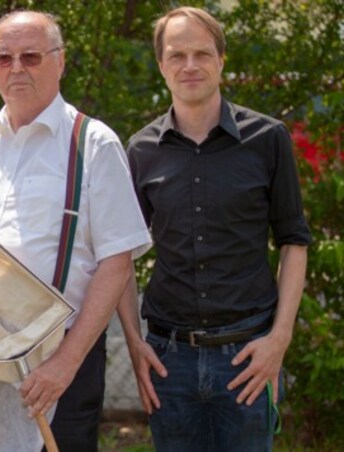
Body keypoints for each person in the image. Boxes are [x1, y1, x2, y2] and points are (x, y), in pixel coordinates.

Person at [0, 11, 151, 452]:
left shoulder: (93, 143)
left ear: (60, 62)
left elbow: (116, 263)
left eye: (31, 56)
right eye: (3, 58)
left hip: (60, 361)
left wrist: (66, 363)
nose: (16, 67)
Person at [118, 6, 311, 451]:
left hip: (247, 359)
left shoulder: (268, 138)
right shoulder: (141, 150)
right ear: (161, 64)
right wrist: (133, 342)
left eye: (202, 53)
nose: (190, 65)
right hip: (168, 361)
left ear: (222, 61)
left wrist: (278, 341)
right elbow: (119, 254)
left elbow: (294, 243)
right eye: (177, 54)